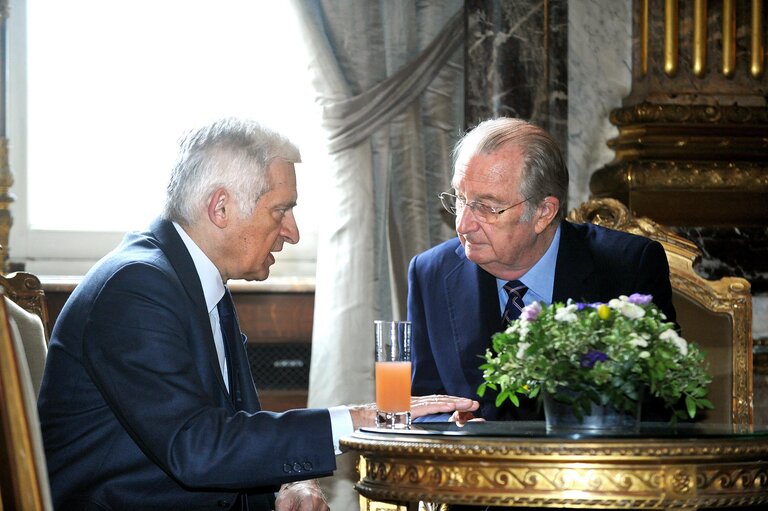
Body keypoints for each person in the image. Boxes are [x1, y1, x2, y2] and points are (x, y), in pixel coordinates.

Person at [37, 118, 478, 511]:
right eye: (281, 210)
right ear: (221, 208)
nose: (292, 231)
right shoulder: (135, 288)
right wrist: (362, 419)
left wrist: (291, 479)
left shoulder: (196, 280)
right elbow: (196, 449)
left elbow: (232, 432)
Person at [407, 117, 676, 421]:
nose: (462, 225)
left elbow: (659, 405)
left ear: (544, 213)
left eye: (487, 207)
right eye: (460, 198)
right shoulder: (431, 273)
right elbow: (422, 406)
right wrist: (453, 429)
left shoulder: (628, 267)